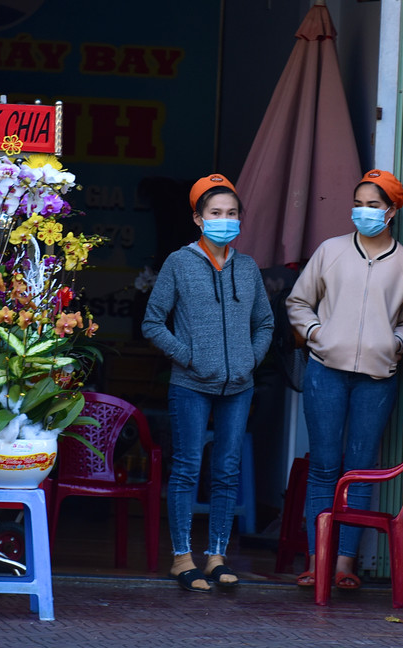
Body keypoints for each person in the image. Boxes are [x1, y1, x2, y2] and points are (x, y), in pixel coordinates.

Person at [285, 169, 403, 590]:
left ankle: (345, 564)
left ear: (392, 210)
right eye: (358, 203)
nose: (362, 211)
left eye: (373, 205)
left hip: (377, 379)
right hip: (325, 372)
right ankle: (317, 560)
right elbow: (299, 301)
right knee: (325, 468)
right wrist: (315, 335)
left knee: (361, 469)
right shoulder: (330, 251)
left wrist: (393, 344)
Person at [142, 174, 274, 592]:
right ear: (198, 219)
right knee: (186, 469)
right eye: (216, 213)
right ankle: (182, 558)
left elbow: (265, 323)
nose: (225, 220)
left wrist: (249, 359)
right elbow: (152, 322)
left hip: (238, 386)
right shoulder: (179, 263)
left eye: (231, 213)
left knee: (227, 471)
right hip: (190, 385)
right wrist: (190, 357)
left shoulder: (248, 267)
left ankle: (216, 556)